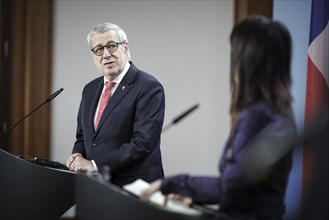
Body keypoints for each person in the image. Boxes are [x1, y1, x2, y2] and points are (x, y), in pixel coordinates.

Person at [140, 15, 297, 220]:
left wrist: (169, 183)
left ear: (248, 62)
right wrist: (194, 200)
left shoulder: (257, 116)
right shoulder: (280, 110)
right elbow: (248, 191)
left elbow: (232, 185)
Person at [66, 22, 165, 187]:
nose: (105, 55)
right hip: (96, 185)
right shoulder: (89, 89)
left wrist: (94, 165)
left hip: (134, 188)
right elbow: (83, 136)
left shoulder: (149, 87)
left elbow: (143, 143)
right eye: (98, 49)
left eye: (111, 46)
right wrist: (77, 155)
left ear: (125, 47)